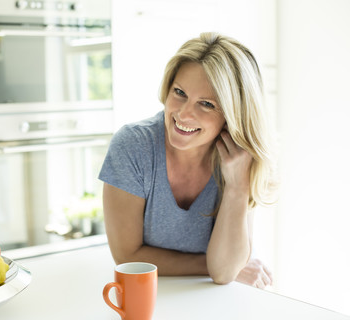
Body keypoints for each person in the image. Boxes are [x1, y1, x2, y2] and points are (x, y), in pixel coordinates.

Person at [98, 32, 277, 288]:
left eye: (206, 104)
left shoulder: (240, 158)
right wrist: (219, 265)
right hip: (155, 296)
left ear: (232, 115)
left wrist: (238, 186)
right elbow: (128, 258)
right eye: (179, 92)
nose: (183, 114)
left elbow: (225, 273)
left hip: (217, 298)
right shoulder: (133, 146)